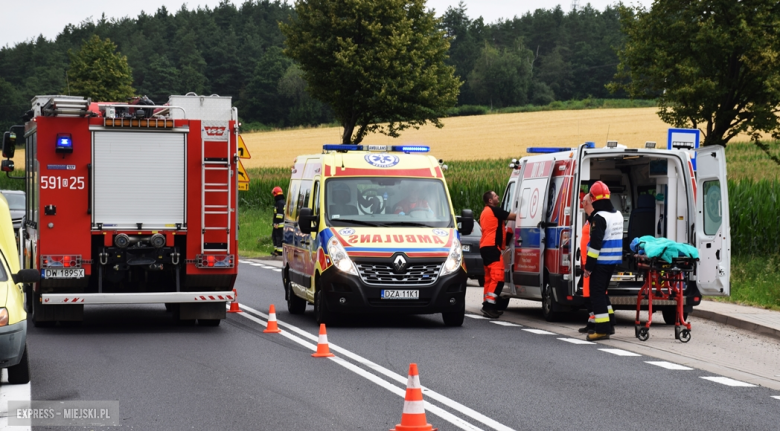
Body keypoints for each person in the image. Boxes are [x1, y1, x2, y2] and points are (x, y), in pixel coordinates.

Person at [583, 181, 622, 340]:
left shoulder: (599, 218)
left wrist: (588, 267)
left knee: (596, 294)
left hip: (600, 263)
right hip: (612, 262)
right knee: (603, 293)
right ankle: (610, 323)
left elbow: (595, 245)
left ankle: (602, 330)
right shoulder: (617, 214)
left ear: (593, 198)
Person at [479, 190, 516, 318]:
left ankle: (487, 304)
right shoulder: (493, 210)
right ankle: (490, 306)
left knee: (489, 278)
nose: (498, 197)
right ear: (490, 200)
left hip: (485, 247)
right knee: (498, 277)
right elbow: (513, 216)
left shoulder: (485, 212)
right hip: (491, 248)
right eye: (495, 196)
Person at [272, 186, 285, 257]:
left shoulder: (279, 203)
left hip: (279, 225)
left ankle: (279, 252)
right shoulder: (281, 202)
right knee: (275, 236)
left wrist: (276, 223)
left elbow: (279, 214)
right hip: (279, 224)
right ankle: (277, 251)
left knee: (277, 237)